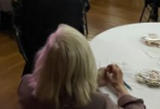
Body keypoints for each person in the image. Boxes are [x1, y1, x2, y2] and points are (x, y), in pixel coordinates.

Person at [18, 25, 146, 109]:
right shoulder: (98, 102)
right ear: (87, 63)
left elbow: (60, 87)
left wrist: (92, 82)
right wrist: (120, 87)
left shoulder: (25, 85)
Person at [13, 0, 85, 74]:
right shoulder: (76, 3)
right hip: (68, 58)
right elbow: (80, 33)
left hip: (36, 56)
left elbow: (17, 22)